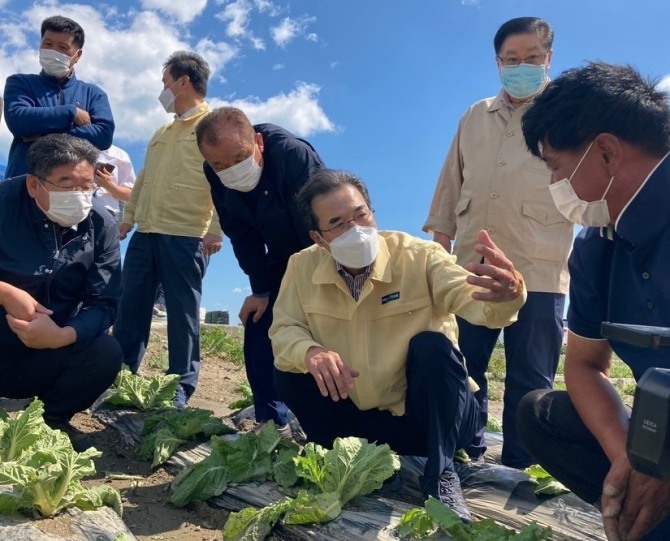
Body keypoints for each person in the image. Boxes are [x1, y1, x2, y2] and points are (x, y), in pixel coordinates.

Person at [270, 169, 526, 522]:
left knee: (432, 347)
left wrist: (505, 296)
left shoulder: (419, 256)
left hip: (431, 421)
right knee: (290, 369)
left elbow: (469, 296)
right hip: (361, 422)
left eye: (361, 214)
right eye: (338, 223)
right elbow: (284, 329)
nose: (356, 228)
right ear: (319, 237)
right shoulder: (301, 267)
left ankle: (440, 473)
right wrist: (310, 352)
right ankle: (342, 457)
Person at [516, 62, 670, 541]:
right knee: (541, 416)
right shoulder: (596, 245)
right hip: (658, 433)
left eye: (556, 167)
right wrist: (634, 455)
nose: (554, 186)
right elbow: (583, 366)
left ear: (605, 151)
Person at [422, 16, 573, 468]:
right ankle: (467, 452)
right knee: (464, 365)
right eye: (511, 60)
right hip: (473, 265)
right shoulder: (475, 115)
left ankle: (521, 469)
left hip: (540, 266)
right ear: (497, 62)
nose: (520, 66)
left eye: (531, 58)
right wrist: (439, 249)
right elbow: (451, 183)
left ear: (548, 59)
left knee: (531, 377)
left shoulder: (567, 117)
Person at [196, 106, 324, 437]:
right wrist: (261, 290)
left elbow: (317, 226)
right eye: (220, 165)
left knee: (321, 323)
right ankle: (271, 420)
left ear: (258, 142)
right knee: (259, 321)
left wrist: (310, 290)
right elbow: (241, 234)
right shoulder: (216, 176)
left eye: (239, 158)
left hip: (324, 254)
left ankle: (327, 416)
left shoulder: (293, 156)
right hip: (279, 259)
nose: (231, 170)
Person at [113, 51, 223, 409]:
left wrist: (216, 230)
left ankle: (179, 386)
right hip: (146, 232)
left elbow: (225, 180)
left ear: (183, 82)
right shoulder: (162, 131)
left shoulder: (213, 127)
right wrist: (129, 216)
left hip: (188, 233)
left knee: (182, 313)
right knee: (131, 306)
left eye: (165, 84)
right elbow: (144, 178)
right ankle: (119, 374)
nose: (163, 91)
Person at [0, 133, 122, 451]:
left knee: (106, 354)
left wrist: (62, 336)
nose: (79, 195)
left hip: (49, 349)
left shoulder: (102, 225)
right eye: (66, 184)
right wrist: (5, 292)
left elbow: (105, 302)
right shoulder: (3, 203)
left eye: (86, 185)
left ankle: (49, 421)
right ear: (33, 184)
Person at [3, 15, 114, 179]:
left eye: (62, 47)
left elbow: (103, 136)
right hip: (23, 186)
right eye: (47, 44)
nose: (53, 51)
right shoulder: (20, 83)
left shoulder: (94, 94)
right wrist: (72, 112)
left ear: (77, 55)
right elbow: (18, 121)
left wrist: (43, 135)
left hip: (73, 188)